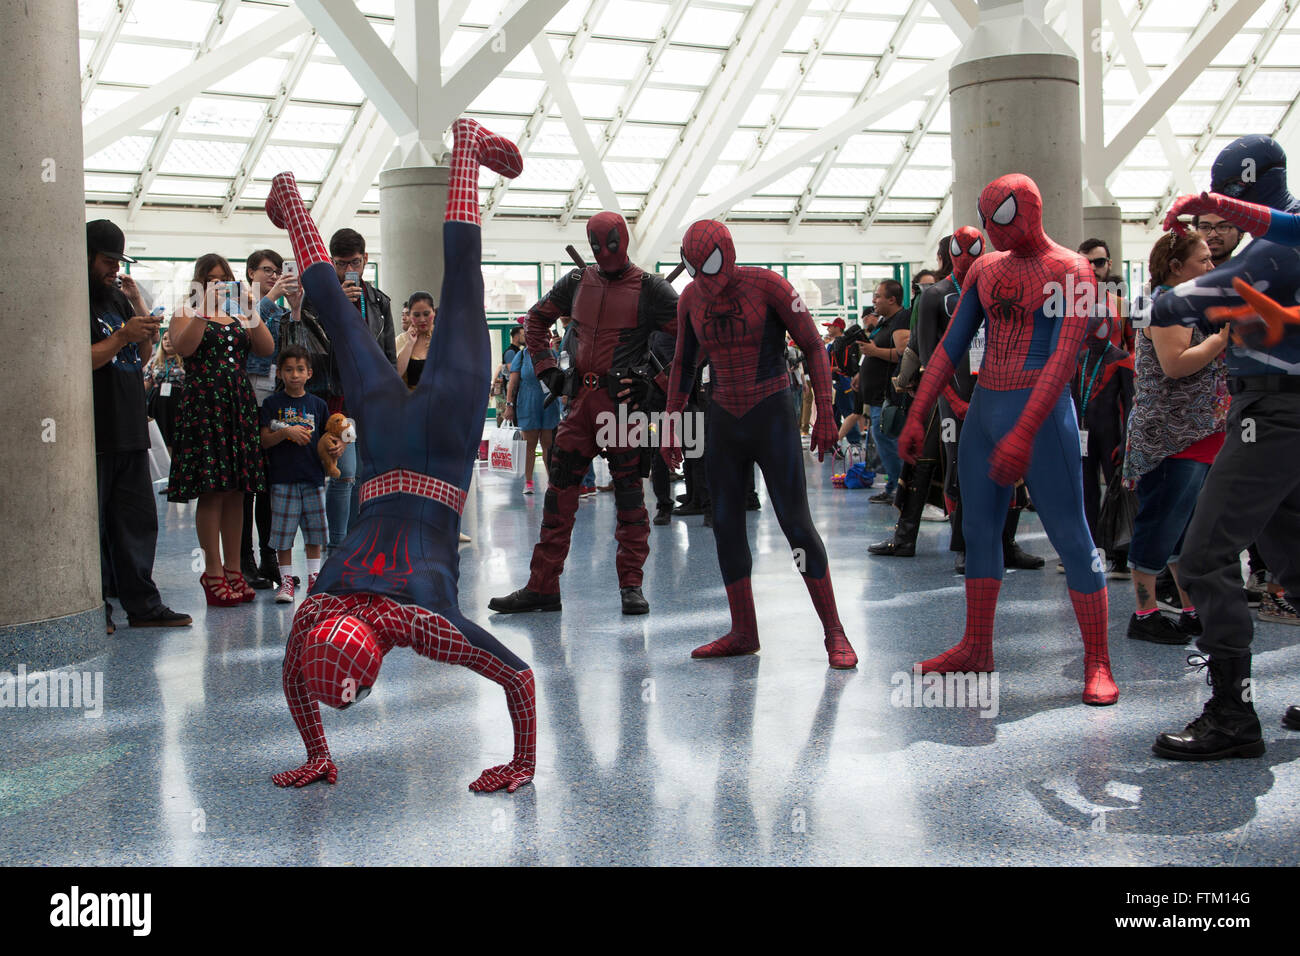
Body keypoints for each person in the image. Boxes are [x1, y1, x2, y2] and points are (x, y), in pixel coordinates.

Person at [266, 117, 536, 793]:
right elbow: (295, 675)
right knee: (332, 305)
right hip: (385, 439)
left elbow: (520, 677)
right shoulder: (319, 609)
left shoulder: (422, 623)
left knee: (464, 284)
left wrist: (522, 765)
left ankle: (467, 154)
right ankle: (291, 200)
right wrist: (314, 751)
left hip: (440, 442)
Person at [900, 173, 1117, 707]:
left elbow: (1063, 359)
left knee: (1071, 533)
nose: (995, 231)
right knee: (978, 531)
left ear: (1032, 210)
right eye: (986, 215)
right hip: (989, 410)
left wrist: (1024, 430)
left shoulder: (1072, 270)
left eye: (1003, 217)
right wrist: (918, 412)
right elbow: (950, 346)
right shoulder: (985, 269)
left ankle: (1098, 661)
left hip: (1040, 414)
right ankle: (977, 646)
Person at [1151, 134, 1300, 758]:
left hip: (1269, 413)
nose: (1212, 227)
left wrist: (1164, 286)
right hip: (1278, 410)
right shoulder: (1280, 237)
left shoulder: (1272, 250)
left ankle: (1232, 714)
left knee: (1205, 555)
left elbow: (1186, 303)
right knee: (1293, 554)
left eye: (1223, 206)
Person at [662, 220, 855, 668]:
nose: (706, 278)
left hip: (772, 415)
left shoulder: (767, 284)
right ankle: (743, 630)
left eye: (709, 263)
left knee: (796, 525)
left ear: (727, 252)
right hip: (724, 418)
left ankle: (835, 632)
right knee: (725, 524)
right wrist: (671, 421)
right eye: (695, 267)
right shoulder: (691, 299)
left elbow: (813, 346)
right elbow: (682, 364)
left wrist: (825, 409)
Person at [487, 211, 678, 617]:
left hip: (622, 411)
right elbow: (536, 320)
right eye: (598, 245)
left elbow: (692, 340)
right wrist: (547, 371)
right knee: (558, 498)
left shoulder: (650, 288)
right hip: (579, 408)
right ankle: (542, 586)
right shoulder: (576, 282)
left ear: (623, 239)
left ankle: (631, 585)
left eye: (611, 243)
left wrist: (651, 383)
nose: (605, 252)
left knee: (629, 498)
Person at [87, 220, 191, 634]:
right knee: (92, 526)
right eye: (107, 260)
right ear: (87, 257)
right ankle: (96, 609)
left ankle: (143, 605)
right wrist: (122, 337)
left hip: (130, 427)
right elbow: (80, 357)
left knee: (138, 522)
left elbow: (143, 351)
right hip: (96, 431)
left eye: (118, 261)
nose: (115, 268)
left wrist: (142, 327)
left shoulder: (115, 296)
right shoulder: (77, 299)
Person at [1121, 233, 1226, 644]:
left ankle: (1189, 607)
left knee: (1184, 527)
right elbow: (1175, 364)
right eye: (1203, 260)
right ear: (1175, 265)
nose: (1211, 266)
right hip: (1169, 437)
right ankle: (1144, 612)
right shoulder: (1164, 306)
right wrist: (1221, 340)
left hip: (1196, 433)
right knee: (1160, 523)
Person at [167, 254, 276, 606]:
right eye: (210, 278)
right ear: (199, 282)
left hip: (237, 404)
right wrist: (203, 309)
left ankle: (234, 568)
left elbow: (267, 348)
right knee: (212, 489)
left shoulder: (240, 313)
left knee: (239, 491)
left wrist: (249, 307)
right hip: (204, 405)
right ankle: (212, 570)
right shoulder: (186, 312)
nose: (218, 283)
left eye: (223, 277)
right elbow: (184, 348)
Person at [308, 228, 396, 552]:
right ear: (332, 263)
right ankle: (338, 546)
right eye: (342, 264)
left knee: (363, 474)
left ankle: (360, 540)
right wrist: (335, 306)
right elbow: (313, 347)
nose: (350, 270)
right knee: (342, 472)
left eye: (355, 263)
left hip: (370, 398)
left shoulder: (379, 301)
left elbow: (388, 354)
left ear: (366, 259)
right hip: (336, 397)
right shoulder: (319, 300)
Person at [259, 345, 331, 603]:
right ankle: (286, 581)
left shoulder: (318, 405)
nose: (295, 375)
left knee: (315, 533)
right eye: (288, 370)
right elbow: (264, 440)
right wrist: (285, 433)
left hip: (313, 478)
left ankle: (315, 579)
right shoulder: (271, 404)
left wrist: (337, 446)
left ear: (310, 373)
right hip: (282, 479)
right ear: (279, 373)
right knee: (283, 534)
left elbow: (328, 437)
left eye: (300, 369)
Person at [238, 250, 287, 590]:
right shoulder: (237, 306)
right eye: (267, 270)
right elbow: (250, 344)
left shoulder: (283, 312)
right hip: (244, 405)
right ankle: (244, 560)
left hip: (273, 404)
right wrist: (269, 299)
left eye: (278, 271)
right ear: (250, 273)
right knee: (246, 489)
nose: (273, 276)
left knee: (271, 488)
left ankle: (272, 557)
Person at [859, 281, 910, 502]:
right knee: (882, 440)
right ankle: (892, 485)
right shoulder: (886, 322)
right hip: (877, 395)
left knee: (887, 438)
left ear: (892, 299)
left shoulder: (901, 319)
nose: (874, 301)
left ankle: (900, 488)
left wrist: (873, 350)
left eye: (878, 296)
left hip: (888, 394)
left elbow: (902, 353)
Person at [502, 319, 559, 493]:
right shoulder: (522, 355)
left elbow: (560, 375)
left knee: (548, 443)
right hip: (528, 401)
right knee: (530, 444)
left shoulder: (551, 354)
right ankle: (528, 481)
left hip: (548, 401)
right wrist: (509, 405)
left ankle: (552, 481)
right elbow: (513, 382)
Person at [143, 330, 184, 455]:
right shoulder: (154, 360)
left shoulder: (185, 360)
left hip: (178, 402)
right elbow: (146, 383)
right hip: (158, 404)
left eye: (170, 338)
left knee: (176, 436)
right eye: (164, 339)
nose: (167, 341)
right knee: (160, 437)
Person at [396, 292, 435, 388]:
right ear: (410, 316)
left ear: (433, 312)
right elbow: (396, 375)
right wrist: (409, 343)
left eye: (426, 314)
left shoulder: (443, 336)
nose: (422, 319)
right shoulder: (401, 340)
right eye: (417, 315)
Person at [493, 326, 524, 420]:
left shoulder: (519, 351)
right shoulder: (511, 352)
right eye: (523, 335)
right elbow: (513, 372)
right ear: (516, 337)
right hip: (513, 390)